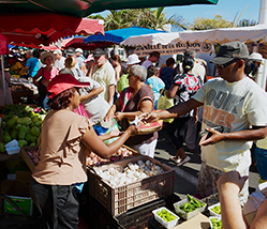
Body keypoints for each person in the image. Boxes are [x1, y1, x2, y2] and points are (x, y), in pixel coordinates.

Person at [139, 41, 267, 200]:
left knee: (229, 213)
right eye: (217, 65)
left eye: (223, 65)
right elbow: (187, 105)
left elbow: (262, 131)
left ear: (240, 63)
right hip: (207, 162)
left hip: (233, 168)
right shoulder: (212, 84)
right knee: (203, 204)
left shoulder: (254, 93)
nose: (218, 69)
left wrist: (224, 137)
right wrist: (160, 114)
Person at [30, 73, 138, 229]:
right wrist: (128, 132)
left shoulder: (50, 116)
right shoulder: (77, 121)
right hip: (57, 188)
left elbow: (69, 142)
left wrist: (109, 135)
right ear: (70, 95)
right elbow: (106, 153)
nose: (80, 95)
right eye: (77, 91)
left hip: (40, 185)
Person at [105, 65, 158, 157]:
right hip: (129, 137)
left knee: (142, 165)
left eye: (130, 75)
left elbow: (144, 113)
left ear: (137, 78)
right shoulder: (127, 91)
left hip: (143, 140)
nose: (128, 77)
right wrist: (111, 110)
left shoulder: (145, 91)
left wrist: (123, 115)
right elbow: (116, 105)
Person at [166, 56, 200, 166]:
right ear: (193, 66)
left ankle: (184, 155)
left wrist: (165, 92)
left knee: (171, 132)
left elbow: (171, 95)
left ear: (182, 65)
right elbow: (197, 99)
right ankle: (177, 156)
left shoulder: (179, 77)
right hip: (189, 110)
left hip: (178, 109)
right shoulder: (196, 80)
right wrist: (196, 114)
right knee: (181, 133)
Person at [62, 57, 111, 125]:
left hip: (104, 115)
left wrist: (85, 97)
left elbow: (100, 88)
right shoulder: (65, 90)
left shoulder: (82, 80)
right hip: (92, 121)